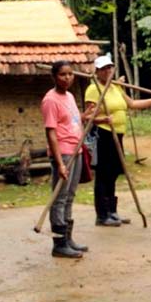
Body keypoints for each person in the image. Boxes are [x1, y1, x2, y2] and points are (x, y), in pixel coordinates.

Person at [84, 54, 151, 227]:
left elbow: (132, 104)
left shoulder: (116, 87)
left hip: (118, 135)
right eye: (104, 69)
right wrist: (102, 120)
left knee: (114, 172)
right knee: (104, 174)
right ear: (98, 72)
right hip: (104, 134)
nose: (108, 71)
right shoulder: (94, 89)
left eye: (110, 67)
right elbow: (88, 117)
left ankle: (112, 212)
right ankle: (102, 215)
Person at [40, 60, 88, 259]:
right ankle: (59, 244)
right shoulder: (50, 100)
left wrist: (88, 116)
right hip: (64, 153)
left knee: (69, 196)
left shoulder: (69, 96)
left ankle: (68, 239)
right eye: (62, 74)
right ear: (54, 77)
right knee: (59, 199)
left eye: (70, 74)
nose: (67, 78)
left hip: (76, 150)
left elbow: (74, 121)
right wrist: (59, 163)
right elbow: (51, 133)